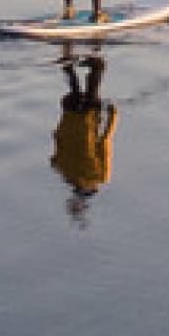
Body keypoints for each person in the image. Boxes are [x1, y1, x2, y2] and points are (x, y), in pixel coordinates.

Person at [50, 51, 116, 215]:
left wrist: (113, 116)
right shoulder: (63, 170)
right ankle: (68, 66)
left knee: (94, 84)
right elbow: (57, 145)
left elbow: (105, 140)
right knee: (75, 91)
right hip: (70, 115)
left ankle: (95, 63)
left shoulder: (101, 176)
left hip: (88, 119)